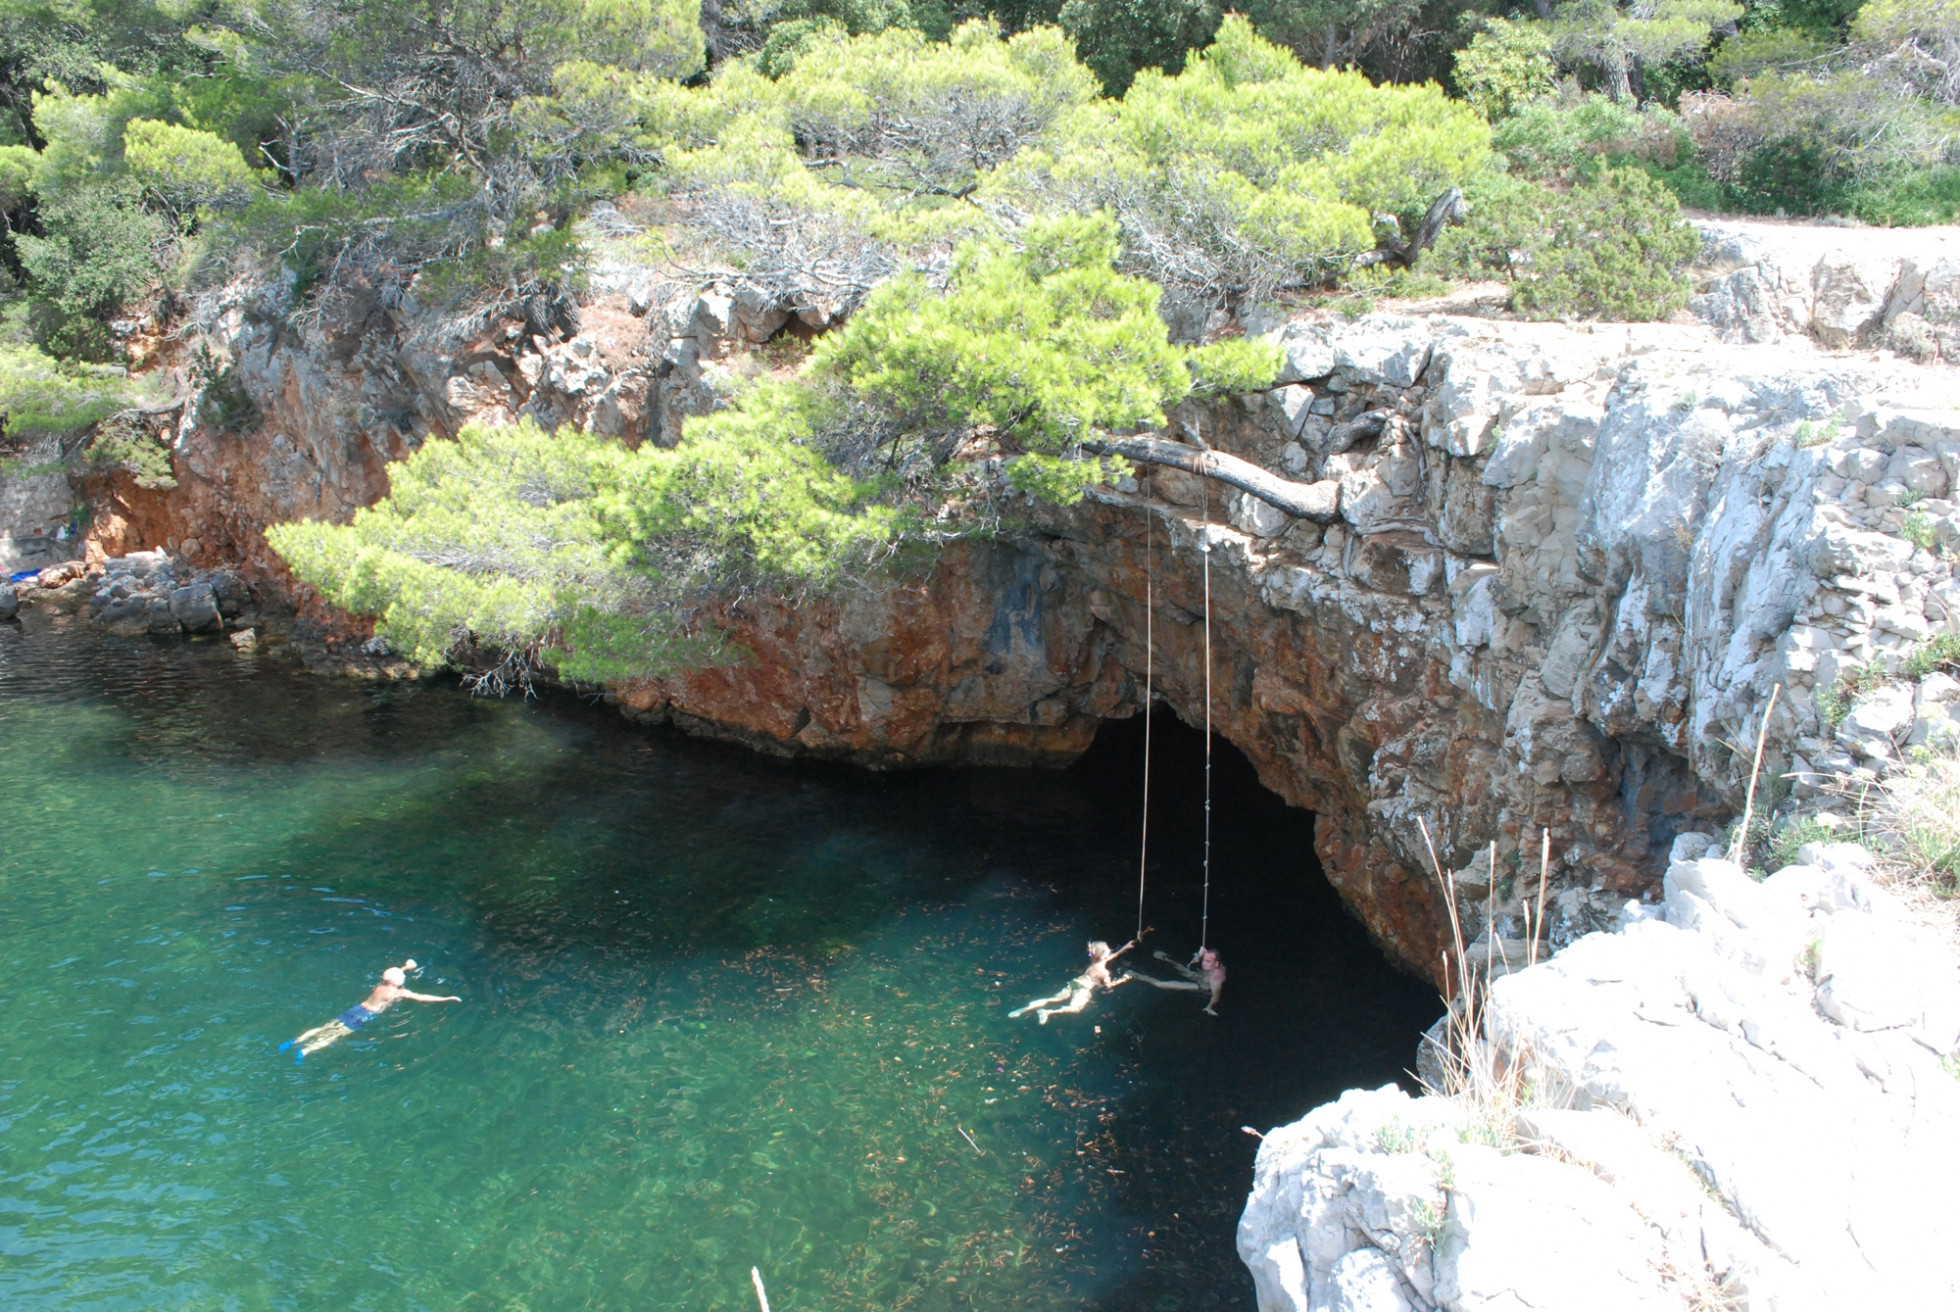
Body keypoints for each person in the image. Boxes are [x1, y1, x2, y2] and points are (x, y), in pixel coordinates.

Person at [278, 959, 460, 1061]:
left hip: (357, 1008)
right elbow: (422, 997)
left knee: (327, 1026)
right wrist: (447, 998)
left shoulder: (381, 985)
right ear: (398, 983)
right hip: (366, 1016)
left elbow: (395, 973)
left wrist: (406, 967)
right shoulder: (399, 992)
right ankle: (305, 1051)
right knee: (335, 1035)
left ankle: (295, 1041)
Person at [1009, 938, 1139, 1025]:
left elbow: (1110, 956)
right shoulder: (1104, 973)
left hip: (1074, 983)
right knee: (1075, 1009)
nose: (1110, 950)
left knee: (1053, 999)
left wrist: (1126, 947)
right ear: (1104, 954)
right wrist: (1123, 980)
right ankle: (1048, 1012)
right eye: (1108, 949)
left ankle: (1024, 1009)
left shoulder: (1094, 961)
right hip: (1083, 990)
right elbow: (1109, 987)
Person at [1125, 947, 1226, 1015]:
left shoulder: (1216, 979)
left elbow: (1215, 996)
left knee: (1161, 984)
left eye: (1208, 962)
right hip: (1200, 975)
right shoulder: (1210, 960)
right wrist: (1199, 956)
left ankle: (1137, 975)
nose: (1204, 963)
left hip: (1202, 987)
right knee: (1182, 968)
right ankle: (1164, 958)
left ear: (1216, 964)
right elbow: (1204, 954)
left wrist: (1209, 1007)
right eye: (1204, 960)